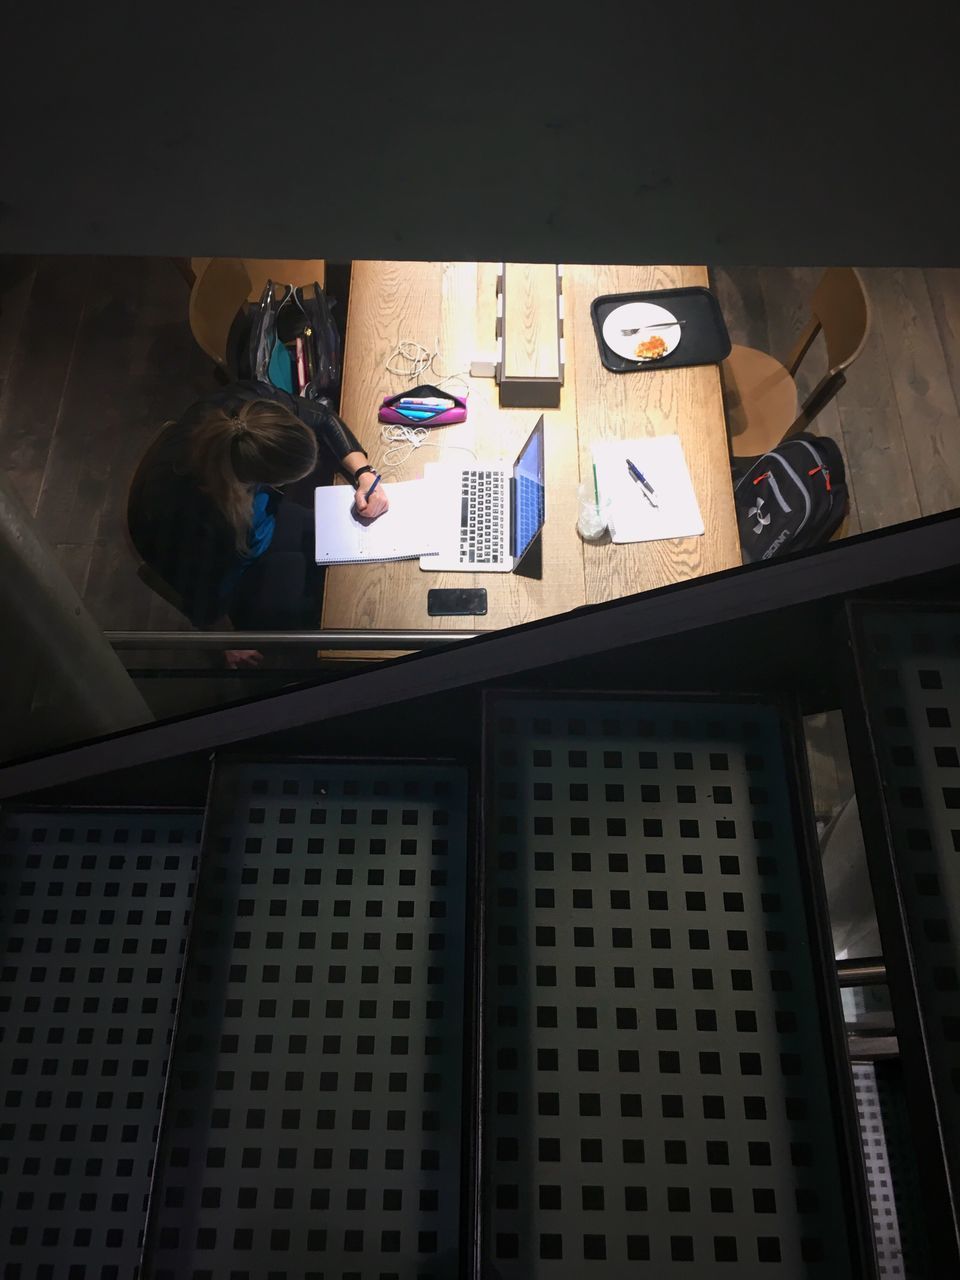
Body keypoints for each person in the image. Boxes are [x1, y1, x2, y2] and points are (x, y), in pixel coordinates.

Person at [128, 382, 387, 664]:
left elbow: (323, 418)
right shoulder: (196, 517)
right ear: (261, 481)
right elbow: (198, 593)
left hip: (254, 526)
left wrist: (363, 472)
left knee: (335, 544)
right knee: (326, 607)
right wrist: (226, 641)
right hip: (230, 573)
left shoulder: (253, 411)